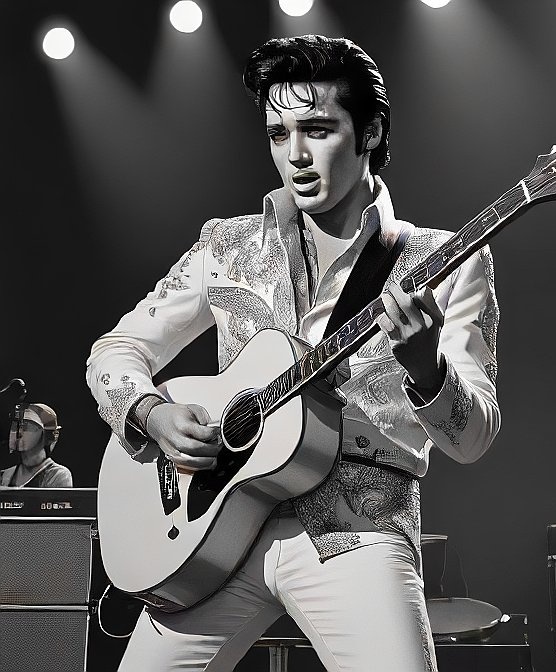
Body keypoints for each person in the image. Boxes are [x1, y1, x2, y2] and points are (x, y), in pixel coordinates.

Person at [86, 34, 500, 672]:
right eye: (279, 134)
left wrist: (427, 371)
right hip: (210, 532)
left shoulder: (446, 263)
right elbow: (114, 351)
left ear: (370, 132)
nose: (296, 155)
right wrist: (150, 413)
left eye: (319, 129)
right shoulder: (225, 246)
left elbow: (473, 439)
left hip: (357, 532)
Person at [0, 403, 73, 488]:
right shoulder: (4, 476)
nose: (19, 433)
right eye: (16, 427)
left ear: (46, 435)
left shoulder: (57, 475)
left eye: (27, 427)